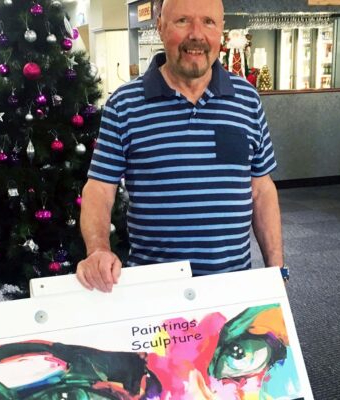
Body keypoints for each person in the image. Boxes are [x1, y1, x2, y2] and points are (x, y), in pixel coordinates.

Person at [76, 0, 284, 292]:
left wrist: (276, 270)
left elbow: (261, 190)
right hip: (155, 289)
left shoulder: (246, 99)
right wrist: (98, 249)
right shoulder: (124, 104)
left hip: (231, 287)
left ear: (221, 30)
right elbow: (99, 188)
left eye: (208, 22)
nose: (196, 34)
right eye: (183, 20)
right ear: (160, 26)